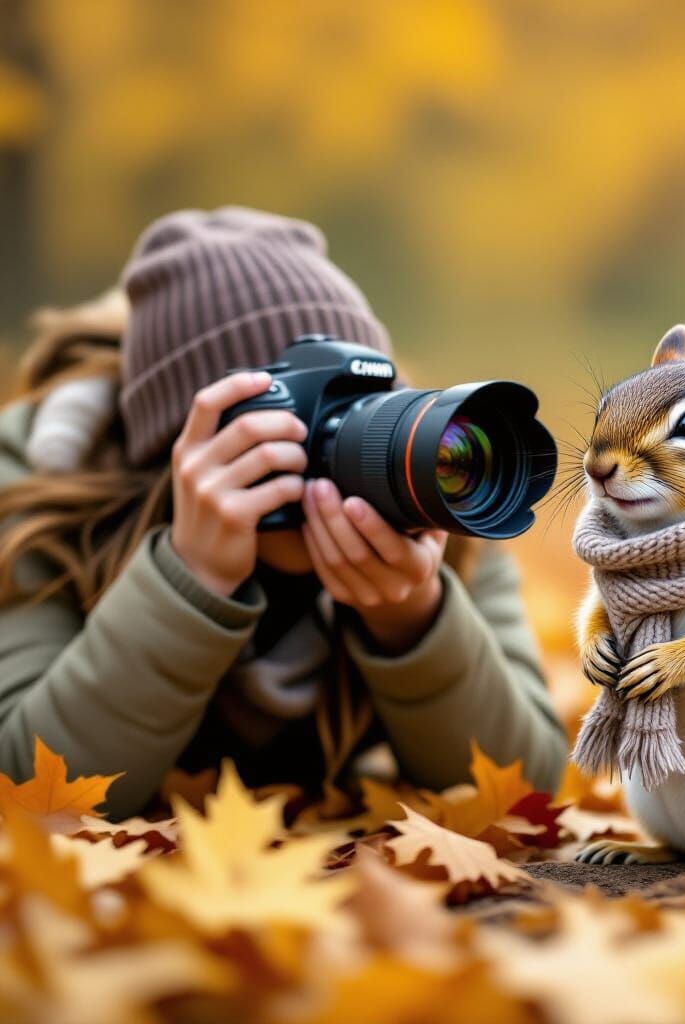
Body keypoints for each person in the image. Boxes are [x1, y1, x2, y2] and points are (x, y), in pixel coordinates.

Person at [0, 207, 565, 819]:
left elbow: (524, 789)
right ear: (180, 457)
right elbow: (28, 791)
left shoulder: (439, 489)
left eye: (366, 402)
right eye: (294, 413)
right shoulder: (42, 504)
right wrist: (191, 579)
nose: (340, 442)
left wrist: (412, 621)